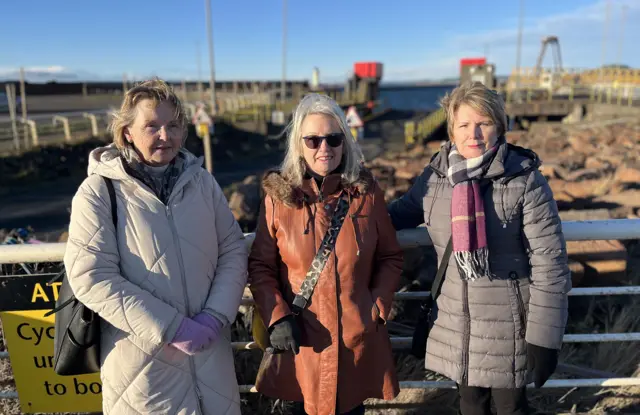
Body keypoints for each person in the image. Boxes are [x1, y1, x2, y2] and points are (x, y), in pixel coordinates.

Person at [63, 78, 248, 415]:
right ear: (127, 132)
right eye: (152, 126)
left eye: (174, 125)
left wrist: (214, 317)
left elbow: (233, 249)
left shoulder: (202, 183)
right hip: (143, 375)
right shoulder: (98, 192)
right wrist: (172, 327)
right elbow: (91, 276)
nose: (166, 135)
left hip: (212, 366)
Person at [388, 81, 571, 415]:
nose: (473, 134)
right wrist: (346, 216)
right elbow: (397, 215)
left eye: (483, 123)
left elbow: (550, 264)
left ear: (499, 127)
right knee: (470, 405)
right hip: (458, 325)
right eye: (464, 125)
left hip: (510, 328)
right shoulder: (435, 178)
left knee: (510, 408)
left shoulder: (524, 179)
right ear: (452, 131)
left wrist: (544, 339)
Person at [248, 93, 403, 415]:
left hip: (353, 342)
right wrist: (276, 318)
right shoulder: (278, 199)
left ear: (345, 142)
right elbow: (261, 265)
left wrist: (375, 306)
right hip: (299, 342)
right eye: (313, 140)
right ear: (298, 145)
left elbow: (390, 256)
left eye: (333, 139)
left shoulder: (366, 193)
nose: (324, 149)